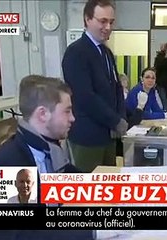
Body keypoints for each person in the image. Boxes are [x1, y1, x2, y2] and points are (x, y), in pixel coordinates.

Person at [0, 75, 94, 240]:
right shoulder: (4, 162)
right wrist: (94, 232)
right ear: (43, 114)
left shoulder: (50, 147)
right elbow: (14, 235)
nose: (73, 118)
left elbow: (71, 178)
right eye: (67, 111)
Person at [62, 0, 127, 172]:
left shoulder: (106, 53)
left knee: (107, 186)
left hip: (109, 135)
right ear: (87, 19)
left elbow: (117, 89)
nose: (108, 27)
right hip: (87, 136)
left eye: (111, 22)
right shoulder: (76, 52)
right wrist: (115, 120)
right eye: (102, 21)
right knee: (89, 191)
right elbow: (85, 96)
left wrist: (121, 118)